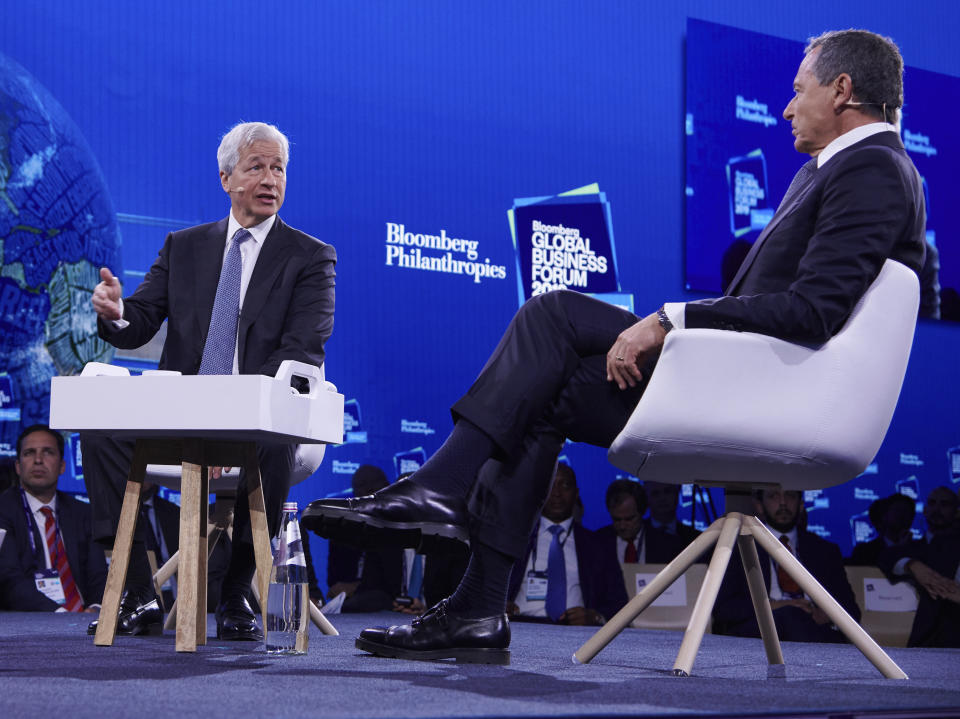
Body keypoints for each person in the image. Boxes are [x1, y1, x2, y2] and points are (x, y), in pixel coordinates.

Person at [303, 29, 925, 663]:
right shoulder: (836, 170)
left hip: (771, 396)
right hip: (744, 381)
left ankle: (441, 496)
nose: (787, 108)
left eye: (798, 91)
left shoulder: (872, 167)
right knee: (542, 387)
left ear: (843, 90)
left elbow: (811, 311)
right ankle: (477, 607)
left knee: (551, 314)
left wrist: (669, 319)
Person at [83, 121, 336, 640]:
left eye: (279, 168)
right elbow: (140, 323)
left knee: (276, 437)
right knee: (101, 427)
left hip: (260, 416)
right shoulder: (184, 247)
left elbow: (302, 348)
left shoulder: (310, 257)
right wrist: (114, 313)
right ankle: (135, 592)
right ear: (226, 178)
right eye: (257, 167)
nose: (271, 179)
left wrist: (233, 414)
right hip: (182, 414)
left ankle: (237, 590)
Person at [712, 489, 860, 642]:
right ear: (759, 506)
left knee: (798, 621)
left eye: (790, 495)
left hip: (813, 629)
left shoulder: (824, 551)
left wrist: (826, 614)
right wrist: (775, 606)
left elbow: (852, 611)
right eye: (773, 496)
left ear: (801, 505)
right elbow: (723, 609)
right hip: (760, 632)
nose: (783, 503)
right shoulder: (738, 548)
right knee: (789, 615)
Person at [0, 425, 107, 612]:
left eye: (48, 452)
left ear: (62, 466)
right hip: (29, 619)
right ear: (18, 466)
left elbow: (99, 575)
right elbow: (9, 580)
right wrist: (59, 614)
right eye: (29, 453)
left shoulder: (83, 513)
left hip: (84, 617)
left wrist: (97, 608)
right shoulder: (4, 510)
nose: (38, 460)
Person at [506, 464, 627, 626]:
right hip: (520, 624)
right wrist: (499, 607)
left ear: (576, 493)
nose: (556, 493)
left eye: (565, 485)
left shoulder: (598, 545)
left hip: (576, 631)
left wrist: (595, 617)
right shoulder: (515, 538)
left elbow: (619, 601)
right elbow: (485, 588)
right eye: (550, 485)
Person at [877, 487, 960, 647]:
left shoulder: (953, 545)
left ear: (956, 511)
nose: (937, 509)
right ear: (925, 509)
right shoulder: (912, 547)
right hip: (925, 641)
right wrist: (912, 565)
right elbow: (886, 555)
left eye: (945, 504)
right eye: (932, 503)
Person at [595, 478, 687, 565]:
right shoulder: (596, 543)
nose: (622, 526)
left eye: (629, 519)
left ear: (642, 512)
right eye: (617, 519)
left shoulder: (668, 545)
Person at [846, 493, 916, 566]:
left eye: (907, 512)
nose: (902, 516)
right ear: (885, 515)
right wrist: (898, 550)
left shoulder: (919, 551)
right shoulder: (865, 551)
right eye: (897, 511)